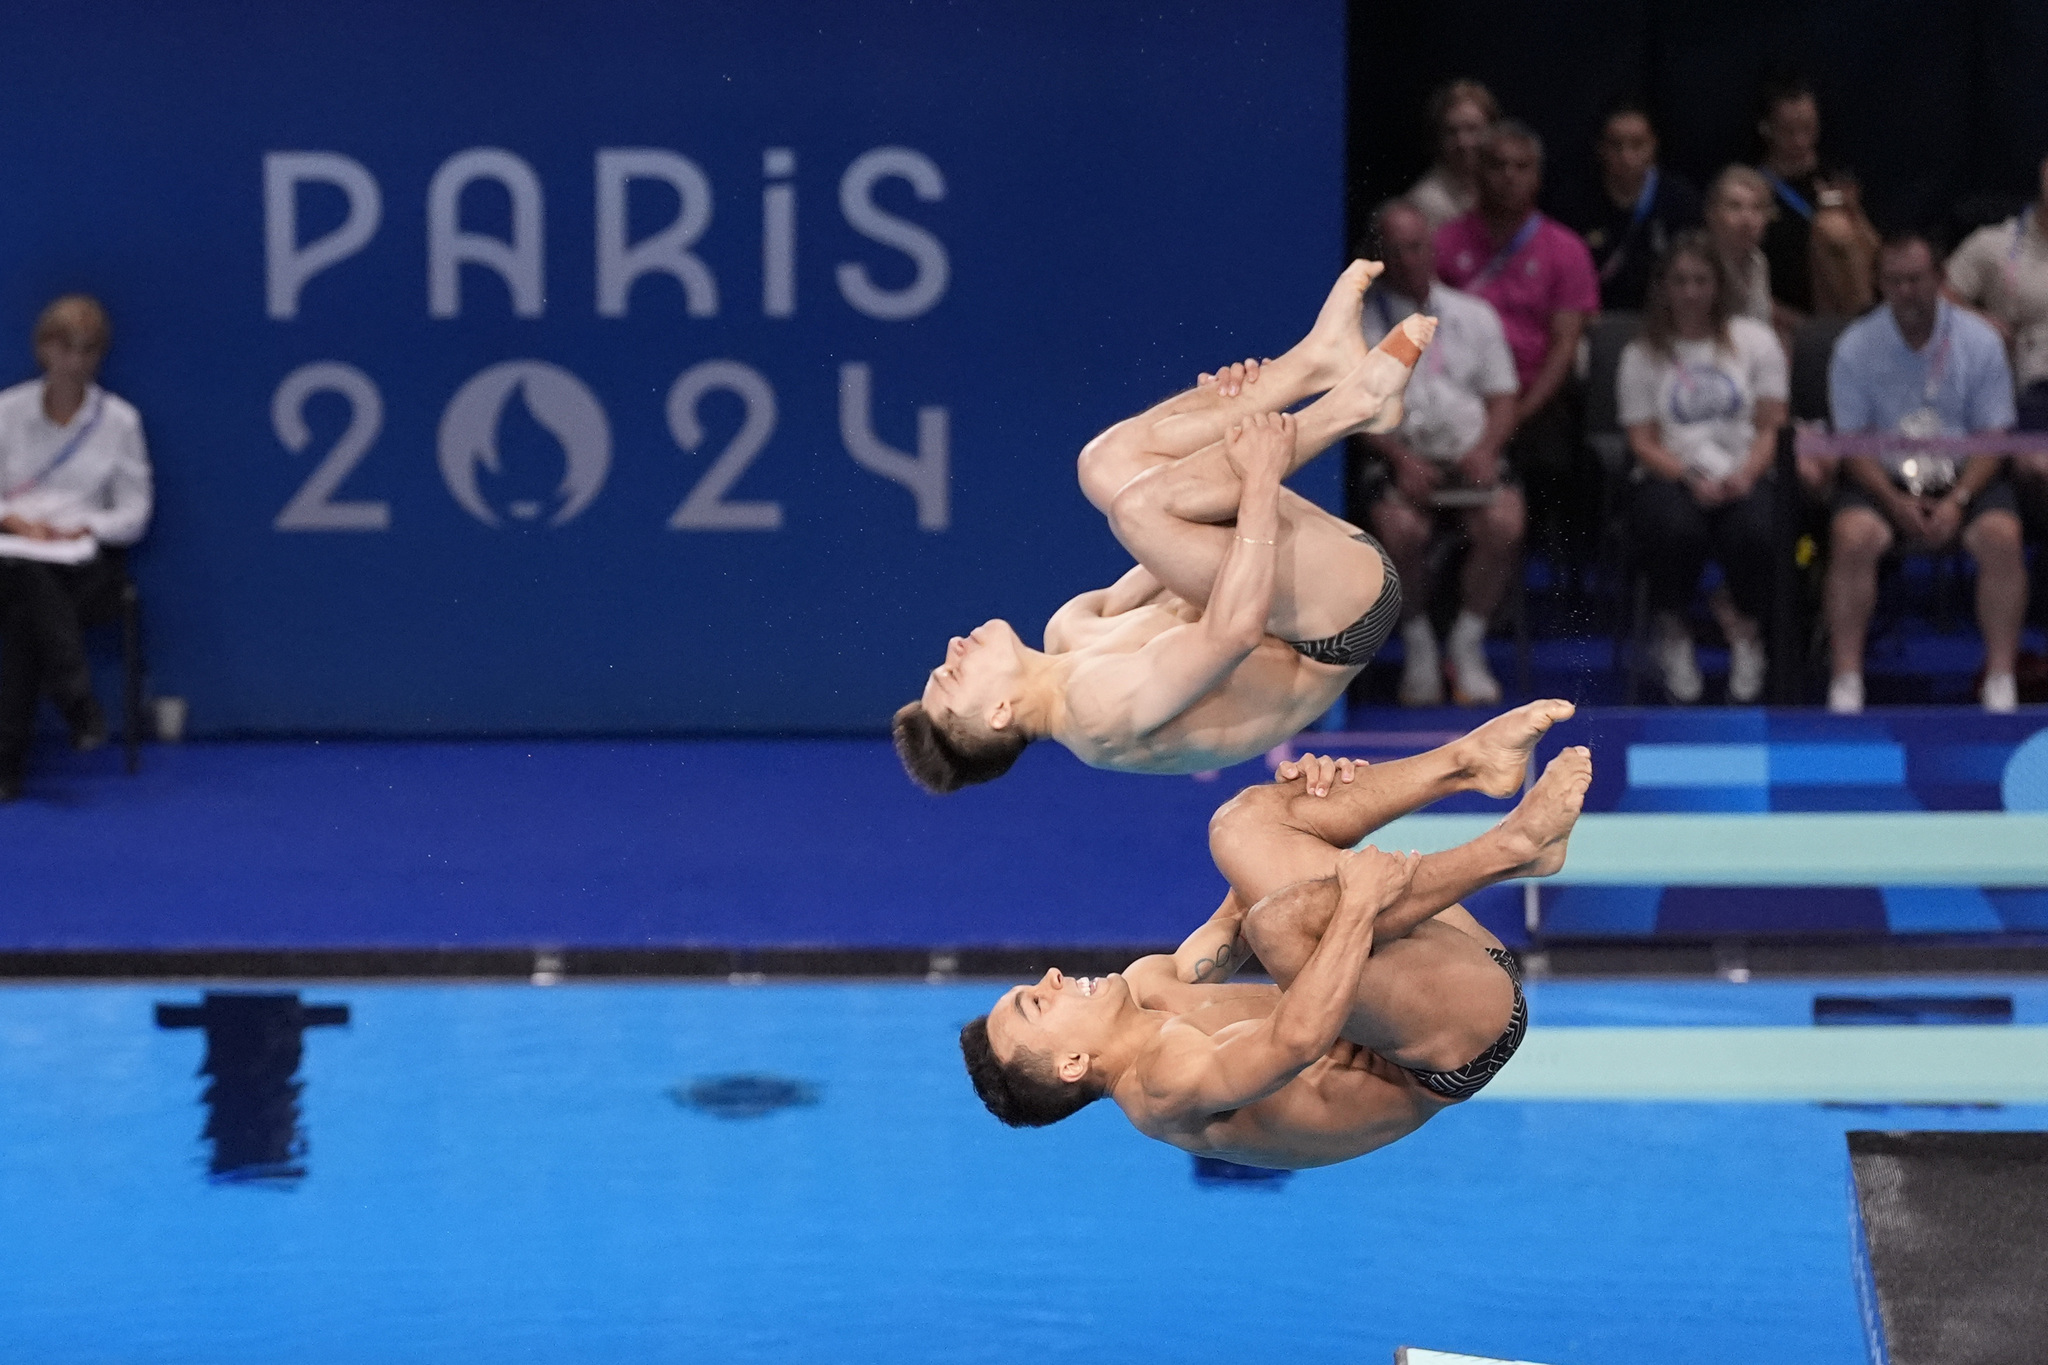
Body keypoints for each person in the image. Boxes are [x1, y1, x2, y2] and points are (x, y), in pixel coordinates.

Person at [958, 700, 1590, 1167]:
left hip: (1441, 969)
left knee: (1238, 825)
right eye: (1038, 1002)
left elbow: (1236, 916)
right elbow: (1298, 1037)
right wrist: (1352, 905)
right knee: (1283, 926)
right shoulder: (1165, 1089)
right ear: (1073, 1065)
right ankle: (1515, 848)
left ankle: (1466, 763)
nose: (1052, 978)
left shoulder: (1147, 982)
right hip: (1452, 1047)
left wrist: (1305, 810)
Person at [892, 264, 1438, 791]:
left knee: (1103, 467)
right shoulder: (1095, 715)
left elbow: (1173, 545)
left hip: (1293, 591)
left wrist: (1216, 409)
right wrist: (1260, 478)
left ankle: (1313, 364)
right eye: (953, 675)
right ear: (999, 713)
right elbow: (1233, 631)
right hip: (1336, 626)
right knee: (1137, 510)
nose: (954, 647)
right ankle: (1353, 405)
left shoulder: (1069, 631)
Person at [1824, 231, 2025, 714]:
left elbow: (1993, 435)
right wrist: (1895, 503)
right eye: (1894, 281)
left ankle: (2001, 677)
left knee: (2002, 536)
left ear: (1939, 279)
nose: (1907, 292)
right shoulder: (1855, 345)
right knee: (1852, 537)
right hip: (1883, 480)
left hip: (1965, 476)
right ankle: (1846, 678)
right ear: (1879, 284)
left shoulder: (1980, 342)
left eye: (1916, 279)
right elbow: (1851, 442)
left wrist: (1957, 499)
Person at [1356, 199, 1521, 707]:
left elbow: (1503, 399)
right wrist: (1400, 459)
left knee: (1505, 522)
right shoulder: (1360, 325)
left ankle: (1466, 645)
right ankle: (1420, 645)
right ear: (1380, 254)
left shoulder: (1473, 315)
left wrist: (1486, 449)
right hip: (1401, 457)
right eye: (1401, 249)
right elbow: (1353, 410)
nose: (1414, 258)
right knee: (1402, 530)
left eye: (1421, 245)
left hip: (1470, 456)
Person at [1618, 233, 1789, 704]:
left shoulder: (1756, 342)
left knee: (1756, 530)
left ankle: (1748, 631)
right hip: (1672, 473)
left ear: (1719, 286)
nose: (1690, 292)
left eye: (1701, 281)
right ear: (1663, 287)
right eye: (1680, 281)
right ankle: (1672, 629)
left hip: (1745, 469)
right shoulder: (1641, 353)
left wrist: (1746, 475)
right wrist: (1689, 477)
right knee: (1675, 529)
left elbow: (1773, 426)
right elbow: (1642, 441)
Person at [0, 295, 152, 801]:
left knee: (26, 609)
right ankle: (77, 700)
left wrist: (81, 528)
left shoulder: (120, 422)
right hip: (12, 555)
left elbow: (134, 515)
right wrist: (13, 520)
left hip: (85, 570)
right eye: (67, 347)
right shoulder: (7, 412)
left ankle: (7, 764)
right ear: (44, 349)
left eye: (90, 350)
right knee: (23, 579)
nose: (78, 361)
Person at [1436, 120, 1601, 560]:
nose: (1508, 176)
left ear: (1537, 177)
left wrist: (1517, 415)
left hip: (1534, 400)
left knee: (1552, 459)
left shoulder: (1566, 250)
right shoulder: (1444, 243)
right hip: (1458, 395)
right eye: (1497, 166)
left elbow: (1565, 346)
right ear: (1477, 173)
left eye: (1520, 167)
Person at [1572, 103, 1702, 313]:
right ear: (1601, 148)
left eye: (1637, 144)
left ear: (1653, 145)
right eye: (1616, 145)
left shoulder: (1680, 200)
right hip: (1592, 319)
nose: (1626, 156)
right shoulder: (1575, 201)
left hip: (1664, 320)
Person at [1405, 79, 1499, 232]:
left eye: (1472, 129)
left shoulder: (1504, 192)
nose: (1462, 142)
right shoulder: (1424, 203)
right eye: (1451, 131)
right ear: (1438, 138)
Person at [1705, 165, 1776, 327]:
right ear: (1712, 214)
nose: (1747, 219)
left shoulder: (1758, 261)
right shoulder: (1700, 263)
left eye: (1757, 208)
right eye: (1734, 207)